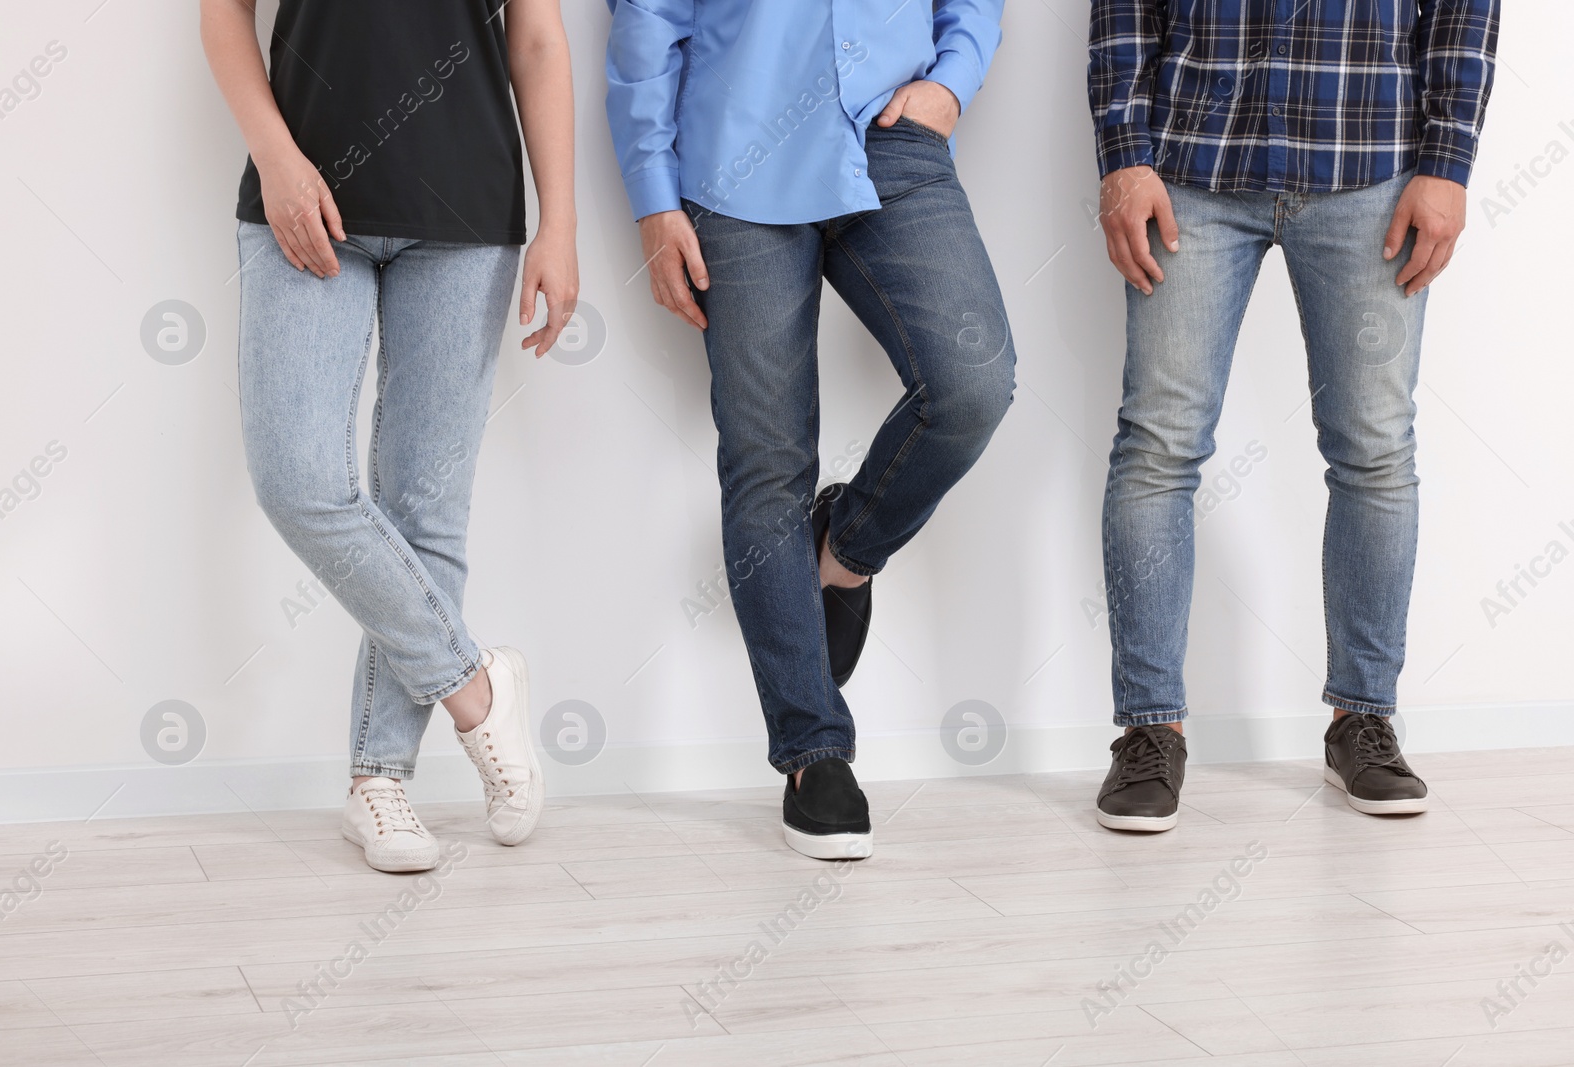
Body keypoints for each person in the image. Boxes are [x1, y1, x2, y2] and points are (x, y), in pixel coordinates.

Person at [605, 1, 1014, 859]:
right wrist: (651, 192)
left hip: (893, 134)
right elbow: (649, 17)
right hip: (734, 152)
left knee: (973, 383)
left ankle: (846, 548)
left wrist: (954, 78)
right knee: (766, 459)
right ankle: (813, 751)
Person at [1086, 0, 1499, 830]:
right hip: (1191, 165)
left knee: (1376, 450)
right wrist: (1123, 155)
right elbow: (1123, 10)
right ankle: (1149, 727)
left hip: (1373, 162)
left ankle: (1363, 716)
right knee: (1157, 447)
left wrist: (1448, 160)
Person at [201, 0, 578, 871]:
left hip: (469, 207)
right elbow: (223, 14)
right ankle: (479, 688)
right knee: (296, 477)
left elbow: (536, 36)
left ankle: (380, 779)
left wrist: (558, 220)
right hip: (302, 197)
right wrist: (275, 154)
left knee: (424, 507)